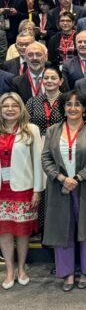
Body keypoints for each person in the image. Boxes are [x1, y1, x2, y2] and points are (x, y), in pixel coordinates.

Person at [41, 90, 86, 291]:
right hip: (60, 187)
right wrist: (61, 178)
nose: (73, 108)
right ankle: (67, 273)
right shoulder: (52, 130)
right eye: (69, 104)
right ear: (64, 108)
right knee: (63, 229)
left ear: (84, 109)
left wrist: (77, 178)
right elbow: (46, 159)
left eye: (78, 104)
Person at [0, 92, 43, 290]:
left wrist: (37, 190)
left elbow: (38, 162)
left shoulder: (31, 130)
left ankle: (22, 268)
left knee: (23, 232)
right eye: (5, 106)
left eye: (14, 106)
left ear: (21, 109)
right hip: (2, 190)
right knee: (4, 232)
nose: (10, 109)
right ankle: (9, 270)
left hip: (23, 188)